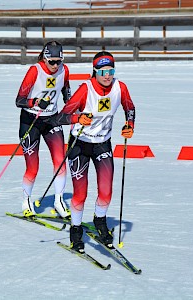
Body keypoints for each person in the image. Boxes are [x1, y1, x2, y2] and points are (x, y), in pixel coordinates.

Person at [46, 51, 135, 252]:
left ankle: (100, 221)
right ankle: (75, 230)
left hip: (103, 143)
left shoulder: (120, 88)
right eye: (103, 71)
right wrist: (78, 119)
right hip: (80, 144)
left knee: (106, 191)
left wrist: (129, 125)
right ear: (94, 71)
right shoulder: (85, 89)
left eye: (111, 70)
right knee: (80, 193)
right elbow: (59, 118)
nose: (107, 75)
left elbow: (130, 108)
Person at [15, 41, 71, 218]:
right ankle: (26, 201)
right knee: (33, 167)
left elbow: (66, 93)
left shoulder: (64, 70)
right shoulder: (35, 71)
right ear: (44, 58)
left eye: (58, 61)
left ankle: (59, 201)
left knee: (61, 161)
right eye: (51, 62)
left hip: (52, 119)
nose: (55, 66)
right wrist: (36, 102)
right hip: (31, 120)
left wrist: (72, 108)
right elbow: (19, 100)